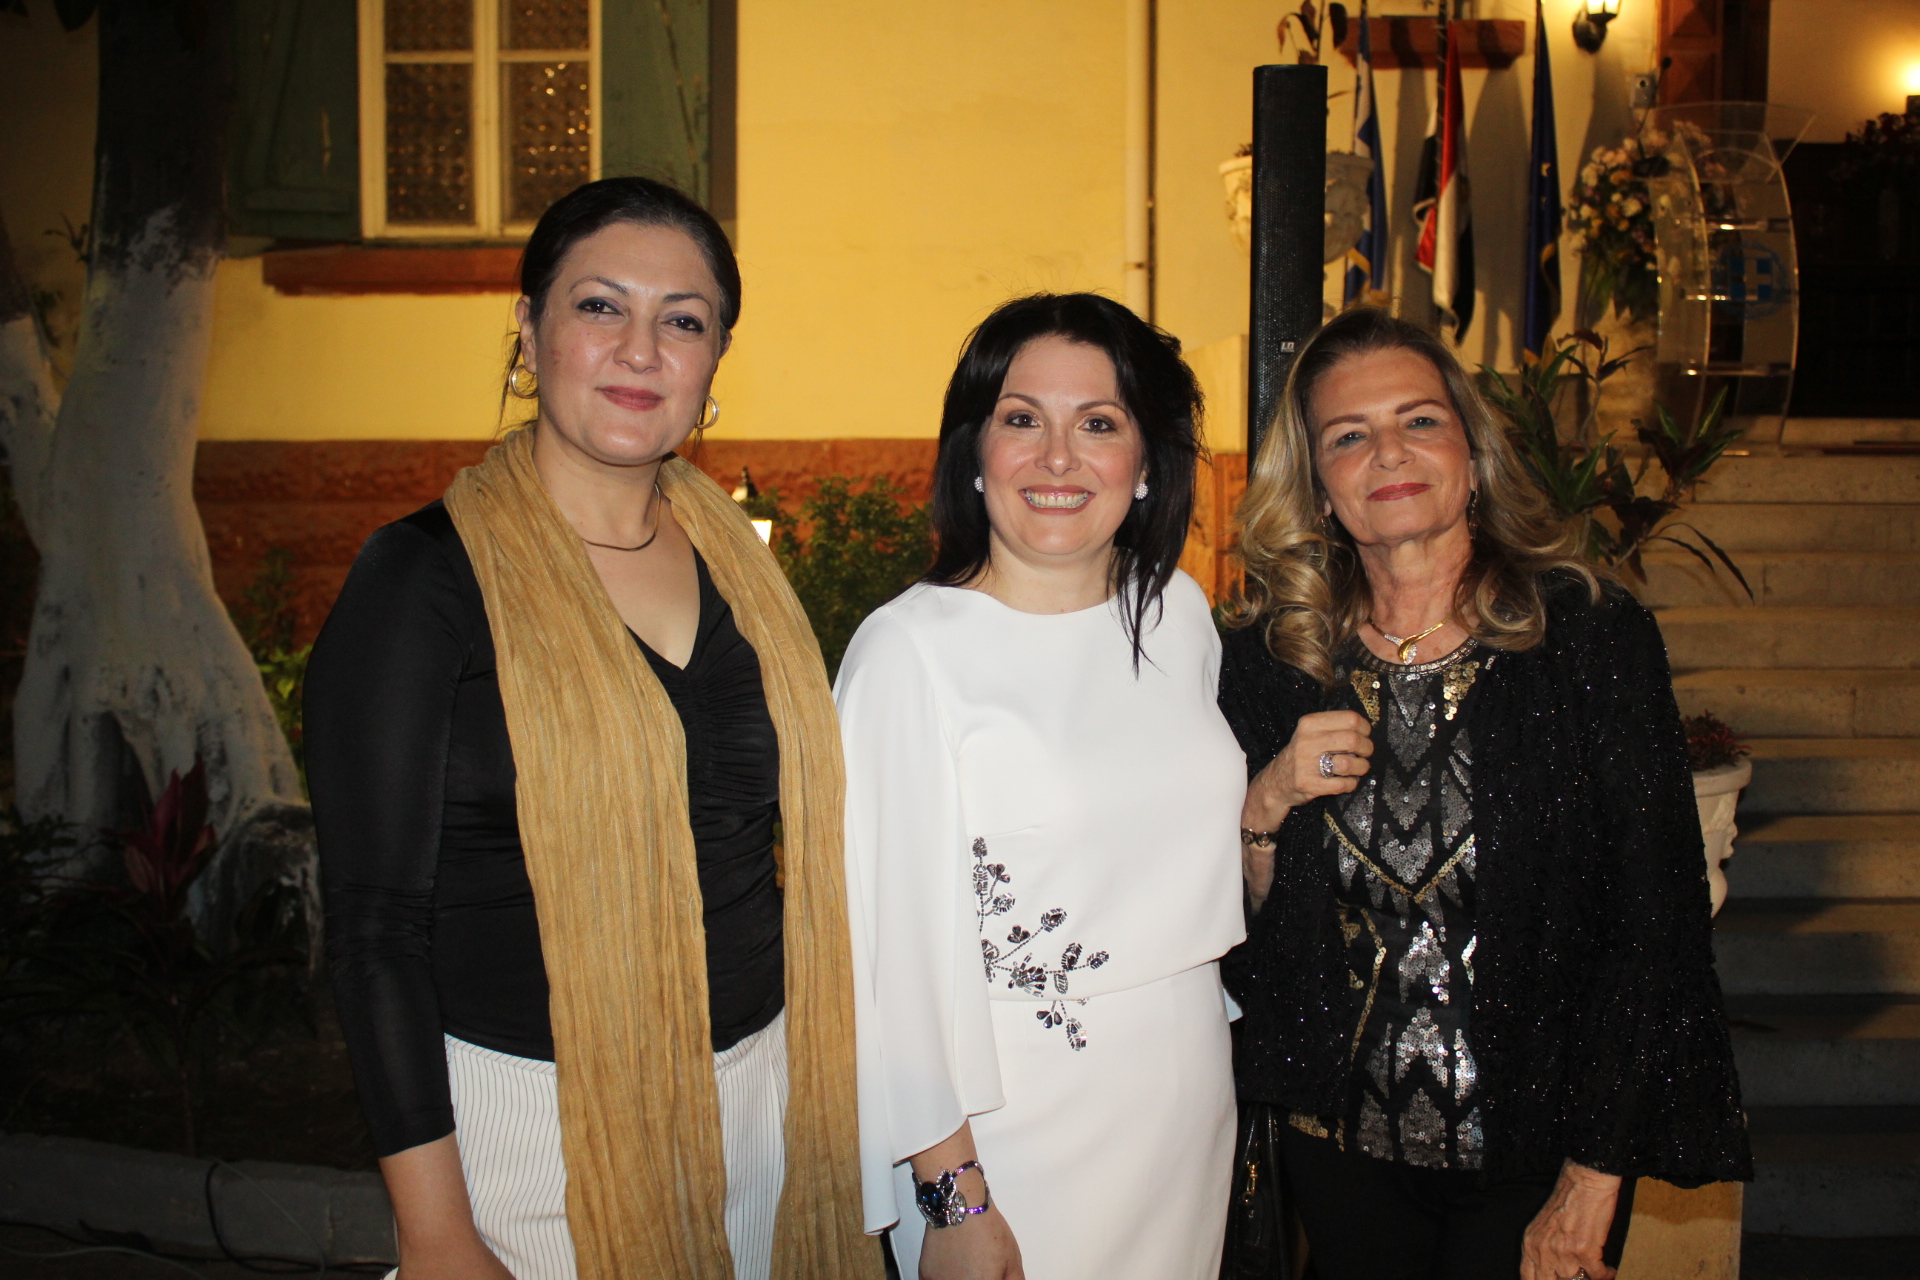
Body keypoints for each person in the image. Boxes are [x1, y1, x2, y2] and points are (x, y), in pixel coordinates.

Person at [305, 177, 877, 1280]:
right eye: (601, 306)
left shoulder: (740, 567)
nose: (641, 350)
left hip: (771, 1111)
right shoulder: (422, 581)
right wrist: (435, 1231)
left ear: (714, 362)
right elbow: (376, 930)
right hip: (532, 1139)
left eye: (683, 321)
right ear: (529, 330)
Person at [1218, 307, 1751, 1280]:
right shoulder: (1274, 662)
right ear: (1321, 488)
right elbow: (1241, 936)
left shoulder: (1586, 639)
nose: (1388, 451)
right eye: (1349, 435)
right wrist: (1263, 804)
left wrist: (1595, 1174)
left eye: (1419, 420)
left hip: (1537, 1153)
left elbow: (1658, 921)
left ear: (1472, 455)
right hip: (1337, 1149)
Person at [835, 293, 1248, 1280]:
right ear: (975, 453)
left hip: (1186, 1097)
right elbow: (881, 959)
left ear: (1146, 464)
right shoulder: (907, 652)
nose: (1058, 458)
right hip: (1011, 1136)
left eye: (1098, 424)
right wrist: (953, 1198)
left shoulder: (1179, 612)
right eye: (1023, 419)